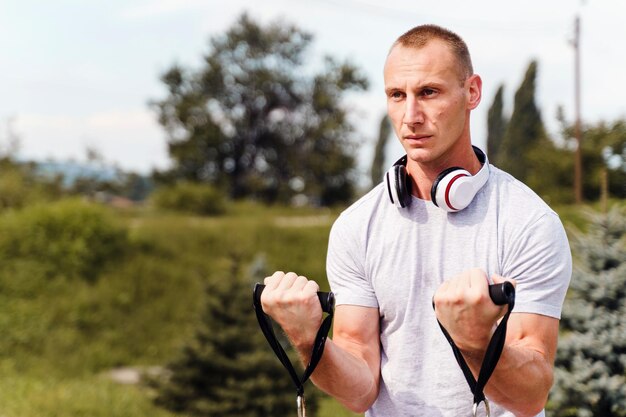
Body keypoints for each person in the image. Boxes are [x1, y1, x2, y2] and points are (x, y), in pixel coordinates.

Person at [260, 24, 571, 417]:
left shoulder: (528, 221)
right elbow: (359, 392)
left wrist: (477, 343)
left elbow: (530, 397)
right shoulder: (357, 226)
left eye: (428, 92)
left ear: (472, 92)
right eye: (396, 95)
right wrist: (307, 341)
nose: (410, 116)